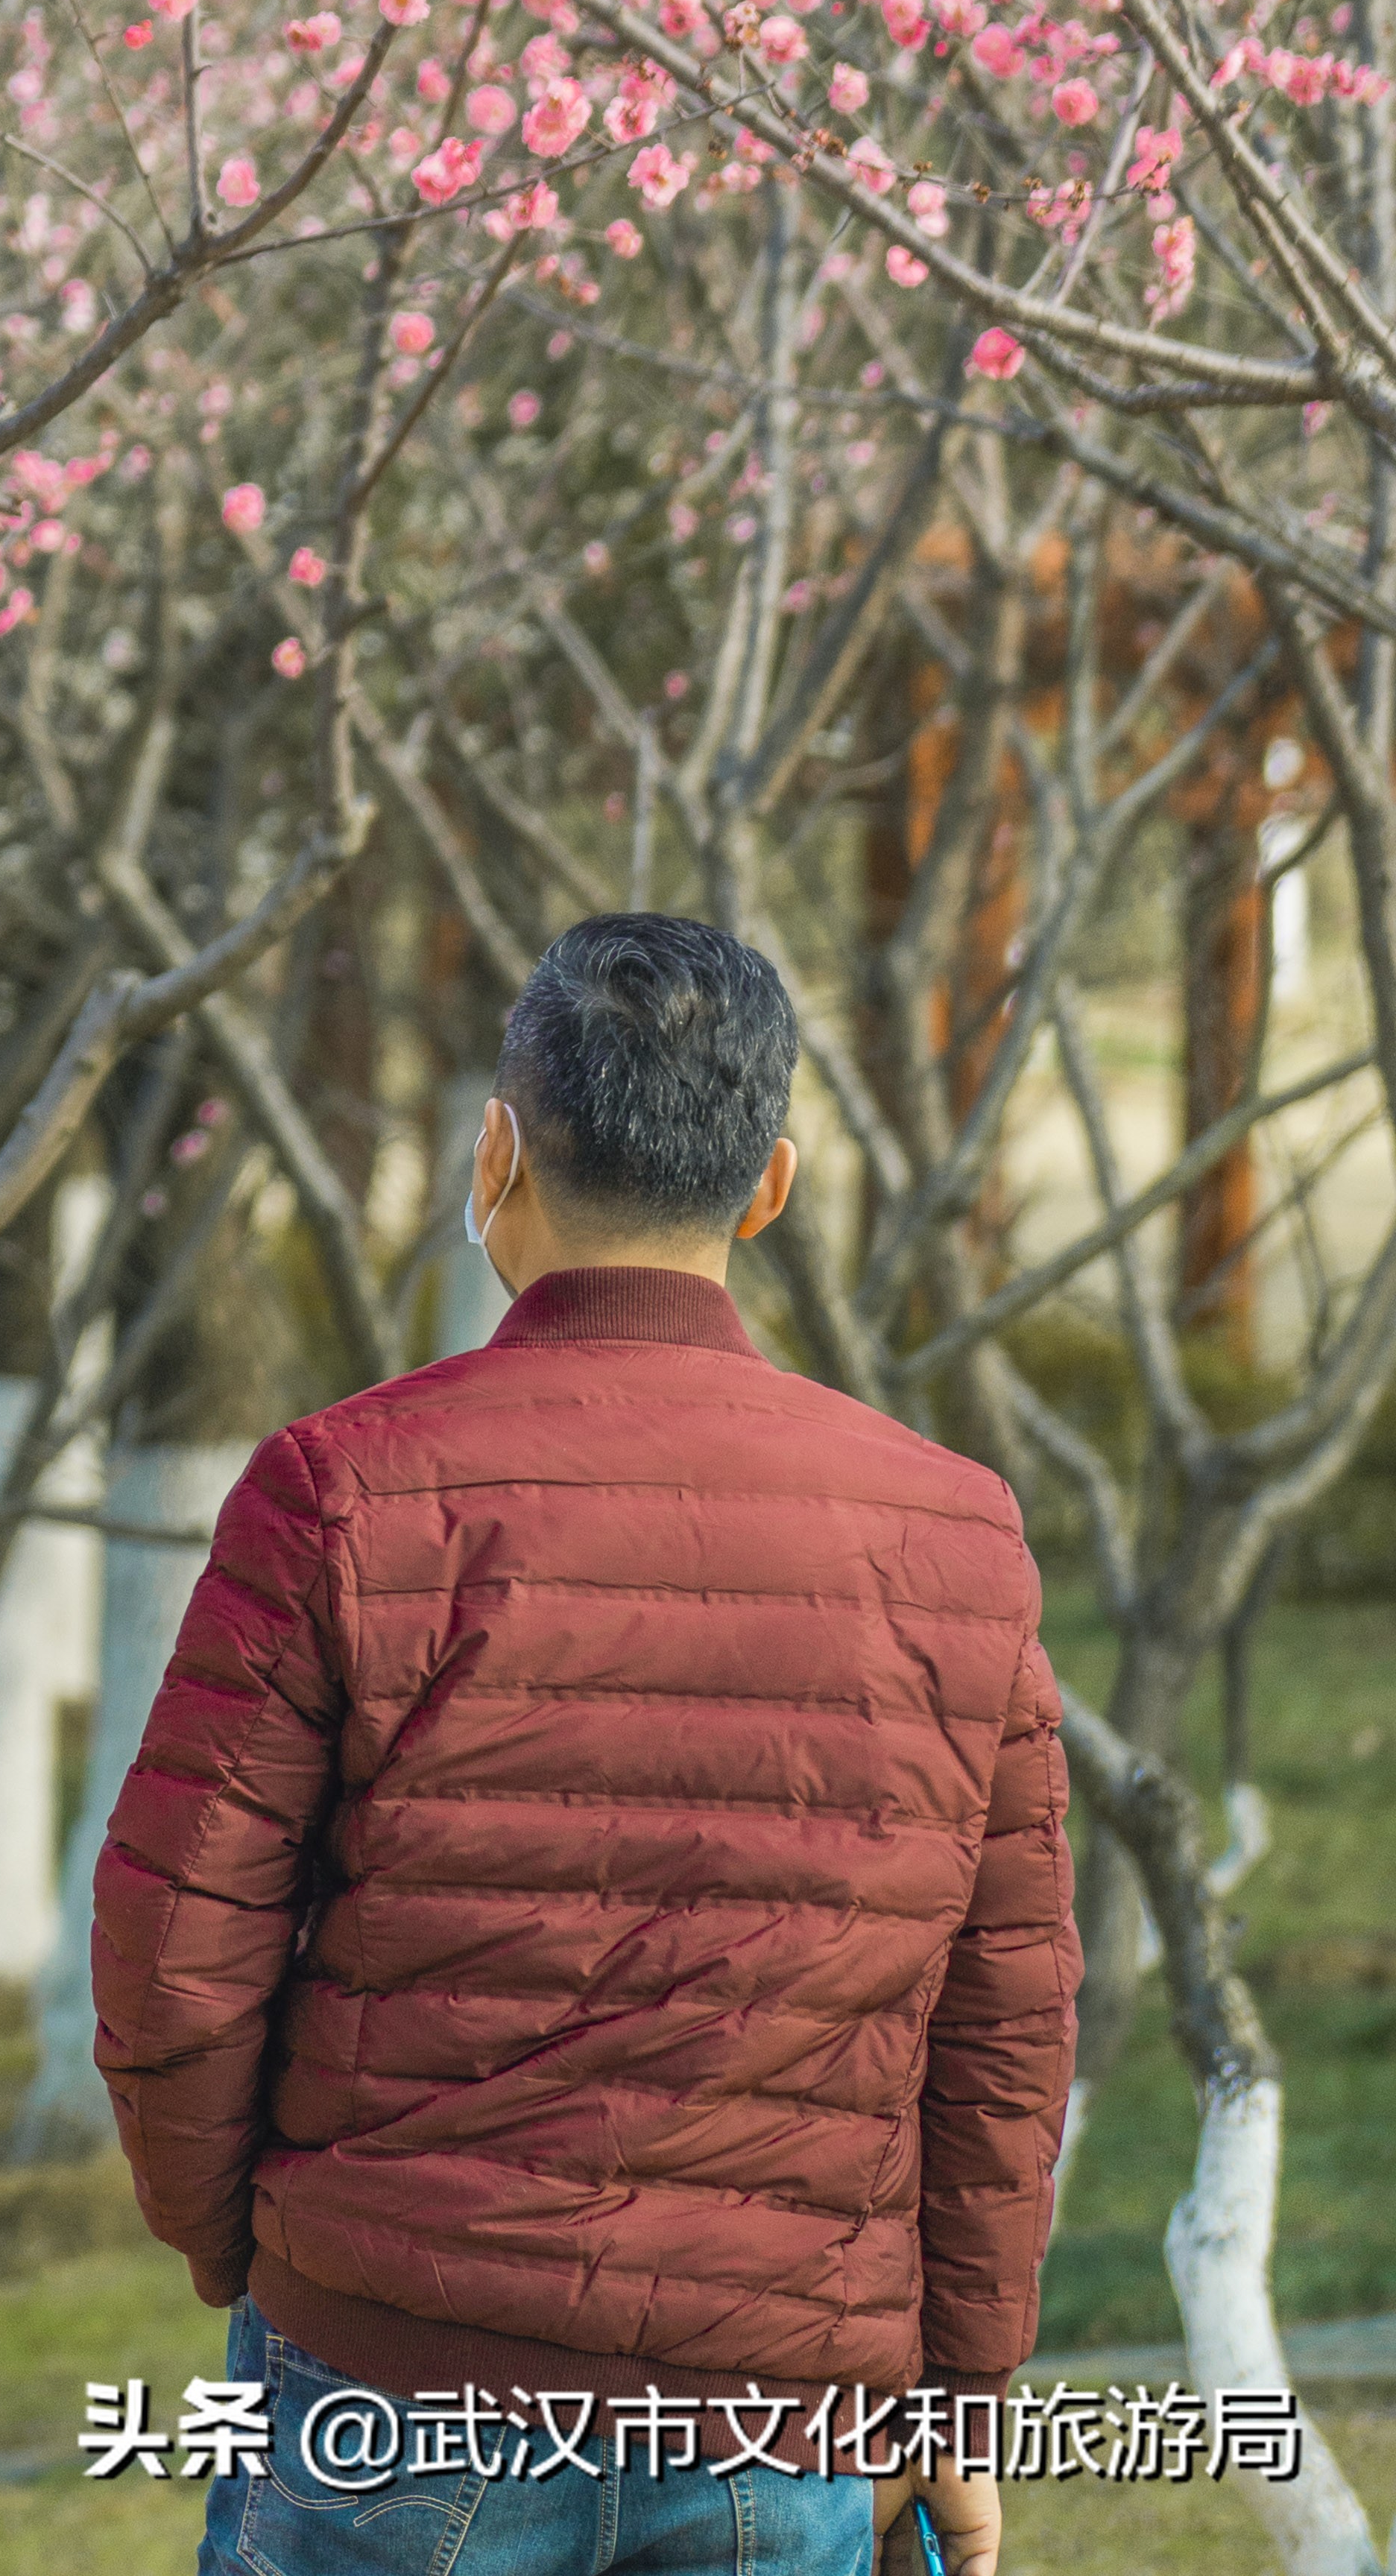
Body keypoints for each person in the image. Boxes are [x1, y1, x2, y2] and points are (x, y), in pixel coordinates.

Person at [93, 908, 1078, 2576]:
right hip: (784, 2418)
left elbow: (173, 1945)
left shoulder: (341, 1489)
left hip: (389, 2378)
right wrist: (959, 2399)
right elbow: (1003, 2027)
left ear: (498, 1149)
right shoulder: (958, 1532)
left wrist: (255, 2247)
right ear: (769, 1184)